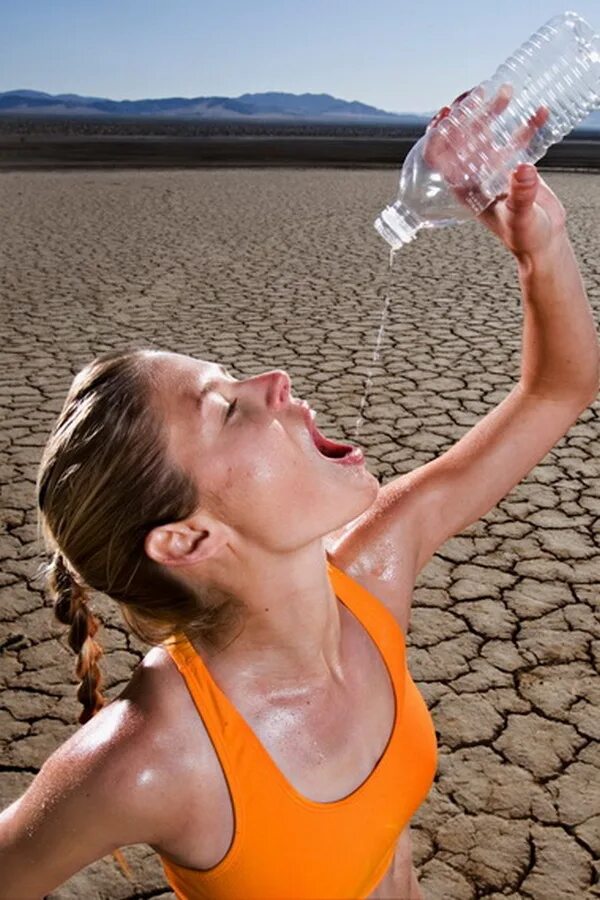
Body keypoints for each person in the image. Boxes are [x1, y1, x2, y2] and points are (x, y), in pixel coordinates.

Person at [0, 89, 598, 900]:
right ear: (188, 539)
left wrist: (540, 245)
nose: (275, 380)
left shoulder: (374, 575)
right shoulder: (153, 757)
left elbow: (558, 391)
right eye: (224, 406)